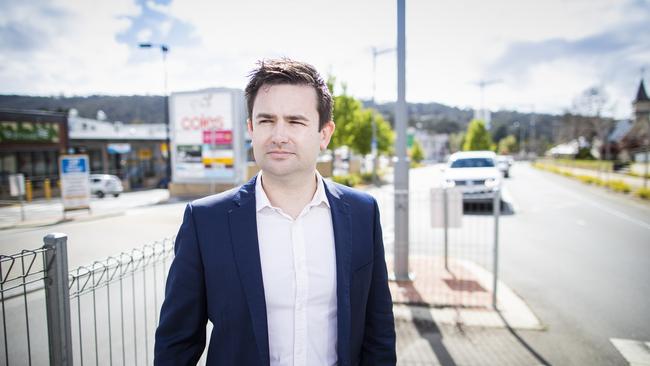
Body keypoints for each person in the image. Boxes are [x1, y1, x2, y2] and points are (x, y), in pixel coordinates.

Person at [154, 58, 396, 366]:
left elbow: (379, 332)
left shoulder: (362, 213)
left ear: (324, 133)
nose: (279, 135)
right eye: (267, 120)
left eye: (295, 121)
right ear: (251, 129)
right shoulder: (206, 222)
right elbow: (176, 344)